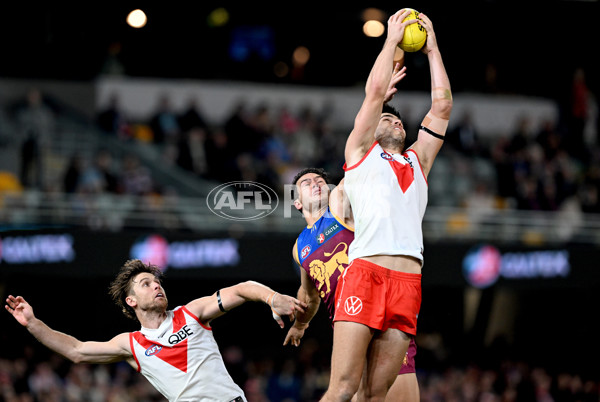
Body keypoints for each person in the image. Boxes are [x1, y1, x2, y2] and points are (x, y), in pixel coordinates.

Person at [320, 9, 452, 401]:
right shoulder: (360, 153)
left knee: (377, 394)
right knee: (342, 388)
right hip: (366, 272)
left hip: (408, 283)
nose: (394, 121)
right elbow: (375, 93)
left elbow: (442, 108)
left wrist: (432, 50)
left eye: (398, 120)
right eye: (386, 119)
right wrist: (391, 41)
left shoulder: (418, 161)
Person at [5, 258, 307, 402]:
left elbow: (241, 290)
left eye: (157, 281)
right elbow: (77, 350)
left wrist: (273, 298)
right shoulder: (130, 344)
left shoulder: (192, 313)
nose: (156, 285)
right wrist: (33, 323)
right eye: (146, 284)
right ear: (131, 300)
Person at [284, 166, 420, 402]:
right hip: (348, 328)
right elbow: (310, 295)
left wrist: (375, 140)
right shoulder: (299, 247)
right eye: (306, 183)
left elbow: (359, 168)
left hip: (379, 316)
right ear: (297, 203)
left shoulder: (340, 208)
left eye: (320, 181)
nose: (316, 183)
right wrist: (300, 324)